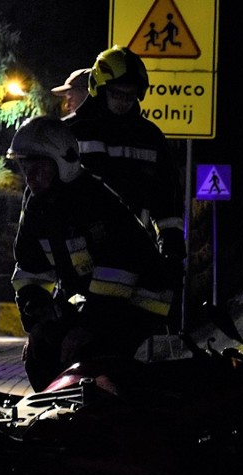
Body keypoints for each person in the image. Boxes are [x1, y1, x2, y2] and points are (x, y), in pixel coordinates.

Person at [8, 116, 175, 391]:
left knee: (90, 359)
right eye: (24, 167)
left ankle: (103, 420)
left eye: (38, 166)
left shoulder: (94, 201)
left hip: (140, 302)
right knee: (41, 351)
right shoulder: (37, 205)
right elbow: (30, 268)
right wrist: (39, 318)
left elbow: (118, 274)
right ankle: (57, 420)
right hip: (97, 303)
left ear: (63, 161)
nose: (30, 177)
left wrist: (86, 328)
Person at [64, 45, 185, 327]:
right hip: (82, 257)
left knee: (132, 336)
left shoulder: (150, 136)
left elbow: (166, 198)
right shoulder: (71, 132)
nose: (124, 101)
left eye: (130, 95)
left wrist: (172, 245)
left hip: (136, 254)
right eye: (117, 93)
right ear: (99, 87)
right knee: (83, 334)